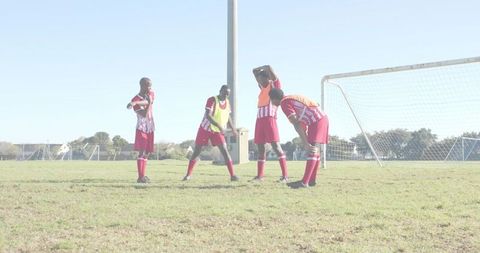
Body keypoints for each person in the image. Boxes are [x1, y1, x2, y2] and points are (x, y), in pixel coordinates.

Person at [268, 88, 329, 188]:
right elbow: (301, 121)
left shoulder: (284, 102)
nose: (271, 102)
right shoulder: (289, 98)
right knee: (315, 150)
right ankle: (311, 180)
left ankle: (304, 182)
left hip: (317, 120)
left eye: (270, 99)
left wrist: (305, 143)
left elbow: (296, 123)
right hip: (320, 119)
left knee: (312, 149)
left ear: (274, 98)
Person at [183, 85, 239, 181]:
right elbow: (208, 115)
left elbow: (228, 116)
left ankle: (233, 175)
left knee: (225, 151)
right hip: (205, 129)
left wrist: (233, 129)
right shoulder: (212, 100)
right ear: (220, 91)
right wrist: (219, 125)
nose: (225, 96)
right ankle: (188, 175)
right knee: (197, 151)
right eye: (224, 93)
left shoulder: (227, 102)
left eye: (227, 94)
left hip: (217, 131)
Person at [252, 65, 288, 182]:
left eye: (263, 79)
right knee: (260, 148)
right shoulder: (262, 88)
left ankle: (285, 176)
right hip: (260, 120)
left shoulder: (274, 86)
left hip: (270, 119)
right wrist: (259, 72)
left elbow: (269, 67)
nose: (260, 81)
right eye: (260, 79)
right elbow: (254, 71)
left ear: (268, 78)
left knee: (276, 146)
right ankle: (259, 176)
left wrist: (265, 68)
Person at [126, 77, 155, 184]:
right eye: (148, 85)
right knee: (142, 151)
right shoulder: (135, 98)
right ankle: (140, 177)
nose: (150, 87)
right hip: (141, 127)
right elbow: (143, 114)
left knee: (147, 152)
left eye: (150, 85)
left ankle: (143, 175)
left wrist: (135, 103)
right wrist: (137, 103)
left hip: (150, 126)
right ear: (142, 86)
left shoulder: (150, 94)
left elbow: (147, 101)